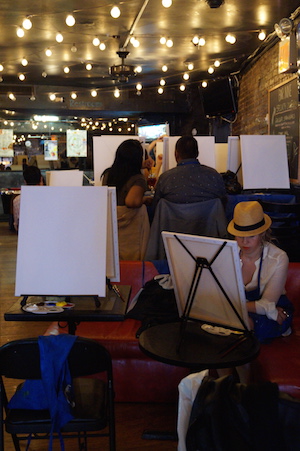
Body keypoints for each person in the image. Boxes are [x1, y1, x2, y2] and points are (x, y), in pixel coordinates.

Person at [227, 200, 293, 342]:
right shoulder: (226, 252)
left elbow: (266, 305)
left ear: (262, 233)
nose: (245, 242)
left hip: (274, 310)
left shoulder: (278, 258)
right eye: (239, 235)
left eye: (251, 236)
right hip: (238, 309)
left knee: (244, 324)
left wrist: (229, 305)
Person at [102, 139, 150, 260]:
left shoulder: (108, 174)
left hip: (110, 223)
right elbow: (131, 202)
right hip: (129, 230)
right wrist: (145, 200)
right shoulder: (138, 179)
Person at [152, 135, 227, 210]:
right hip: (209, 221)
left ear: (176, 154)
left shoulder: (165, 178)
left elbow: (156, 207)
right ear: (197, 153)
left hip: (174, 221)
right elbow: (224, 205)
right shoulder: (214, 176)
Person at [13, 166, 44, 232]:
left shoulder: (17, 200)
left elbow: (17, 225)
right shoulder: (50, 197)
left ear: (25, 181)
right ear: (41, 179)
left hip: (27, 236)